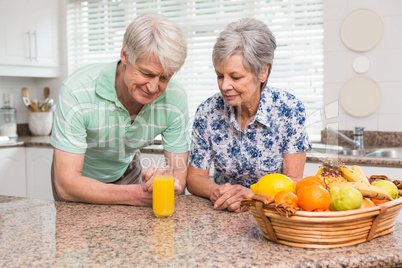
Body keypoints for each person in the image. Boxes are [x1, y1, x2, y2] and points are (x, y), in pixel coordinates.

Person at [50, 13, 189, 206]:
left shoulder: (175, 98)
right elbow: (66, 185)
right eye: (146, 73)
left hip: (127, 173)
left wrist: (169, 181)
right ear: (125, 55)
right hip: (79, 182)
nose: (153, 87)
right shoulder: (77, 91)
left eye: (164, 78)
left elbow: (179, 174)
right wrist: (136, 195)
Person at [186, 18, 311, 213]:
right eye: (220, 76)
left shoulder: (290, 110)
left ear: (263, 72)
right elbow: (194, 179)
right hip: (222, 213)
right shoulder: (207, 112)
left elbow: (294, 183)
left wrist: (252, 197)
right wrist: (218, 192)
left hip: (272, 216)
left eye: (235, 77)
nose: (224, 86)